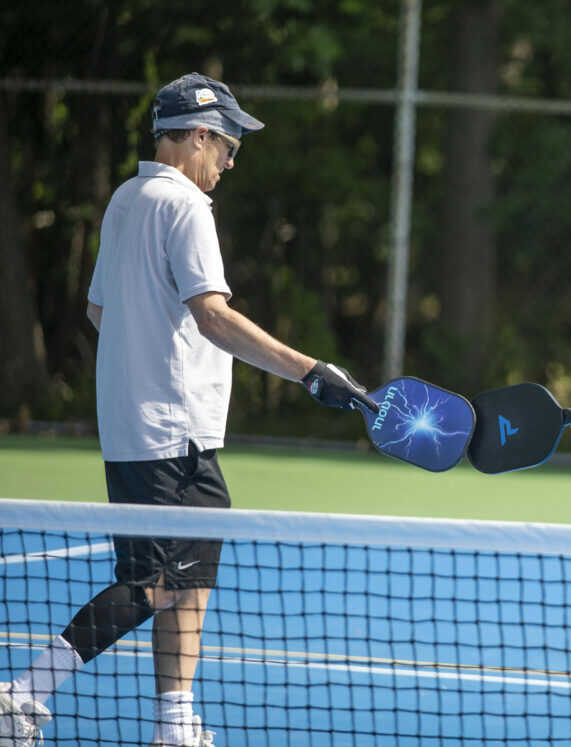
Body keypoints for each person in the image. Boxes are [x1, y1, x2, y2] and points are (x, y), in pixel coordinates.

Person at [0, 72, 366, 747]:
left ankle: (174, 724)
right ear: (198, 135)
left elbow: (99, 310)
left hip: (164, 430)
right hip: (169, 433)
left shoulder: (125, 198)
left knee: (191, 577)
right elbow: (212, 318)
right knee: (155, 583)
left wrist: (146, 360)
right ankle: (22, 693)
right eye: (227, 146)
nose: (229, 161)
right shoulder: (187, 207)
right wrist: (309, 371)